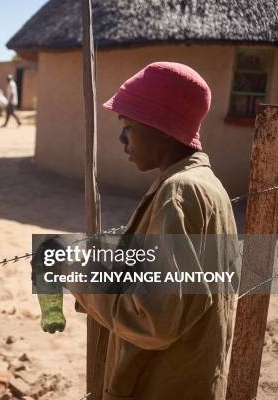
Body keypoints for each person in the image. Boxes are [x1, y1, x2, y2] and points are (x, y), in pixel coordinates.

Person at [33, 62, 239, 399]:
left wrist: (70, 269)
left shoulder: (180, 192)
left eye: (127, 125)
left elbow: (153, 320)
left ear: (160, 125)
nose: (121, 138)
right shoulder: (207, 185)